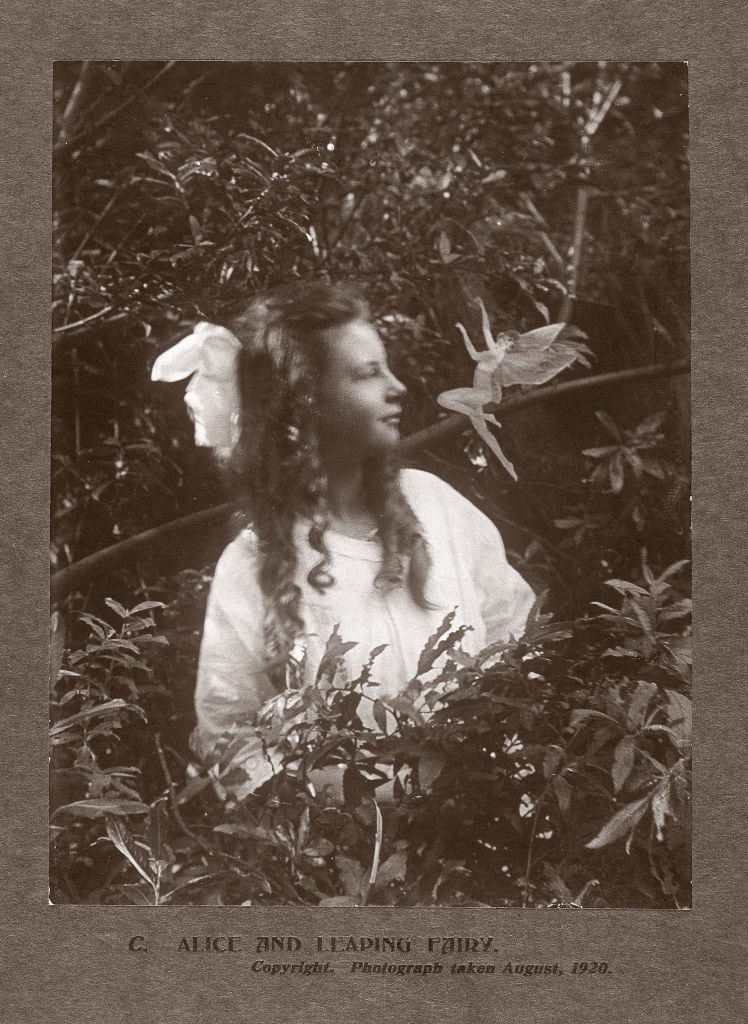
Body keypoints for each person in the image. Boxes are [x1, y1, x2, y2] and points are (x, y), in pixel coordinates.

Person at [152, 280, 535, 800]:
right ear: (304, 402)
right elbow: (232, 737)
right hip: (346, 839)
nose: (397, 387)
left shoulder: (436, 507)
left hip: (485, 814)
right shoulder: (252, 563)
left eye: (387, 367)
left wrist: (500, 774)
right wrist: (337, 816)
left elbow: (515, 638)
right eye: (368, 373)